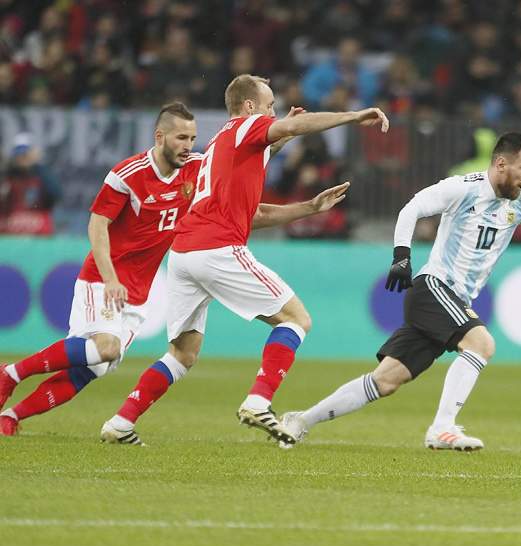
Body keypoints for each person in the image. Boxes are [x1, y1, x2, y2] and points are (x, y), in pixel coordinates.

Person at [278, 132, 521, 451]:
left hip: (452, 300)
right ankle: (442, 428)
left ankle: (300, 420)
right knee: (482, 344)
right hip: (434, 287)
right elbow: (412, 208)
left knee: (385, 381)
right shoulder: (464, 189)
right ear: (501, 164)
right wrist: (401, 256)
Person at [98, 74, 389, 445]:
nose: (274, 114)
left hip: (184, 253)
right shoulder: (245, 125)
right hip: (216, 249)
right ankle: (258, 400)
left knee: (183, 353)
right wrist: (353, 116)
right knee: (296, 319)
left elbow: (256, 214)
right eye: (270, 106)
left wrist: (309, 206)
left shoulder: (221, 145)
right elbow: (291, 127)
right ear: (250, 106)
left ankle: (121, 422)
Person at [0, 103, 201, 436]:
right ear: (159, 136)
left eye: (192, 138)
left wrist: (276, 137)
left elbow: (238, 161)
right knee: (106, 348)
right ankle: (10, 374)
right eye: (181, 137)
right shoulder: (128, 174)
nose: (188, 146)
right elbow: (97, 225)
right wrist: (110, 279)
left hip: (138, 294)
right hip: (103, 280)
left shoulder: (196, 168)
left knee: (96, 366)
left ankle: (11, 416)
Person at [0, 132, 62, 235]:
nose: (22, 158)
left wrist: (37, 166)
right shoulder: (7, 175)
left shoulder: (42, 174)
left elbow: (56, 195)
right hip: (10, 230)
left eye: (25, 155)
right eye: (18, 155)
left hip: (37, 230)